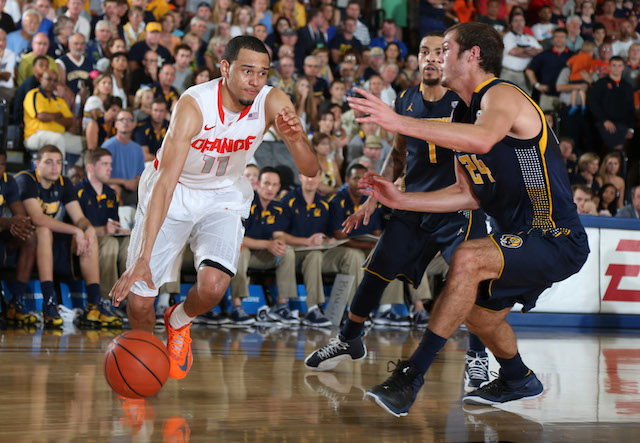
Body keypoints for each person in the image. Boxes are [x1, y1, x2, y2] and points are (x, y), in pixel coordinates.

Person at [338, 22, 589, 416]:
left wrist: (397, 121)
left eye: (447, 48)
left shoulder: (502, 95)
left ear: (473, 55)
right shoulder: (465, 115)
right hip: (516, 238)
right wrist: (401, 197)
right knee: (475, 315)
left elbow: (484, 140)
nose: (438, 56)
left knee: (467, 258)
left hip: (553, 234)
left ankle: (410, 377)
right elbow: (465, 195)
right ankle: (518, 378)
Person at [109, 36, 318, 380]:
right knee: (141, 301)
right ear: (225, 68)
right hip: (174, 190)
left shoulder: (272, 101)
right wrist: (143, 257)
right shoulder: (194, 105)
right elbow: (165, 183)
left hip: (222, 194)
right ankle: (143, 373)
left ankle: (178, 321)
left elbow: (310, 170)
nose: (255, 80)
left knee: (214, 286)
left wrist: (295, 139)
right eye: (246, 71)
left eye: (262, 73)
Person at [305, 32, 491, 393]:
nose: (432, 58)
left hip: (456, 207)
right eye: (425, 52)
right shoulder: (406, 99)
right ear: (416, 59)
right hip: (413, 203)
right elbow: (399, 155)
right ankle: (349, 339)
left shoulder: (465, 100)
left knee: (471, 280)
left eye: (441, 52)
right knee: (375, 270)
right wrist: (372, 200)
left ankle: (478, 357)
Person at [15, 145, 122, 329]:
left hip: (44, 242)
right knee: (44, 230)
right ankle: (49, 302)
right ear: (37, 164)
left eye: (58, 162)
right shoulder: (27, 179)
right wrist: (76, 230)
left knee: (89, 236)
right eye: (49, 162)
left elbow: (79, 218)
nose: (55, 167)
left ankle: (94, 305)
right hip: (17, 238)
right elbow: (38, 218)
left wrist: (86, 229)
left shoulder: (64, 183)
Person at [228, 166, 295, 325]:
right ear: (257, 184)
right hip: (246, 252)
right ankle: (238, 307)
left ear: (279, 187)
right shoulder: (245, 204)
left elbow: (278, 234)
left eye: (274, 185)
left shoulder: (279, 208)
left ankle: (281, 305)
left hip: (263, 254)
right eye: (266, 183)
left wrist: (279, 243)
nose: (270, 188)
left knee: (287, 252)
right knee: (240, 251)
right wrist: (267, 244)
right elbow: (238, 238)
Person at [76, 148, 130, 299]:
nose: (110, 168)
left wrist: (121, 230)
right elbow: (76, 227)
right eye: (105, 164)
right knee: (109, 243)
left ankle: (130, 297)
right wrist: (103, 230)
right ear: (91, 168)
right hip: (86, 243)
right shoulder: (78, 191)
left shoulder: (111, 193)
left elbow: (113, 225)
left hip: (108, 238)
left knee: (130, 243)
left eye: (110, 164)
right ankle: (107, 299)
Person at [0, 148, 37, 325]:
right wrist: (7, 222)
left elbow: (20, 214)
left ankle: (16, 302)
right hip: (2, 226)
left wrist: (18, 224)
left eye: (2, 164)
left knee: (29, 236)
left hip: (3, 231)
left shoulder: (8, 181)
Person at [23, 68, 83, 162]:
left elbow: (70, 121)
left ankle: (74, 171)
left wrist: (51, 117)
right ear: (41, 79)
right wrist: (58, 115)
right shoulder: (33, 95)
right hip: (35, 135)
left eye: (55, 80)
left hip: (61, 135)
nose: (52, 83)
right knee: (57, 139)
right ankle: (58, 175)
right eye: (49, 79)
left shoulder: (59, 100)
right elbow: (42, 116)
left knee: (86, 144)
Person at [103, 108, 145, 205]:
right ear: (116, 124)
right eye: (122, 119)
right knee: (115, 190)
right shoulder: (108, 146)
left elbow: (140, 174)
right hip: (113, 187)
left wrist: (136, 182)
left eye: (129, 120)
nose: (125, 122)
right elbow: (102, 177)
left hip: (132, 190)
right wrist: (124, 182)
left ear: (134, 124)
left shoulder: (138, 149)